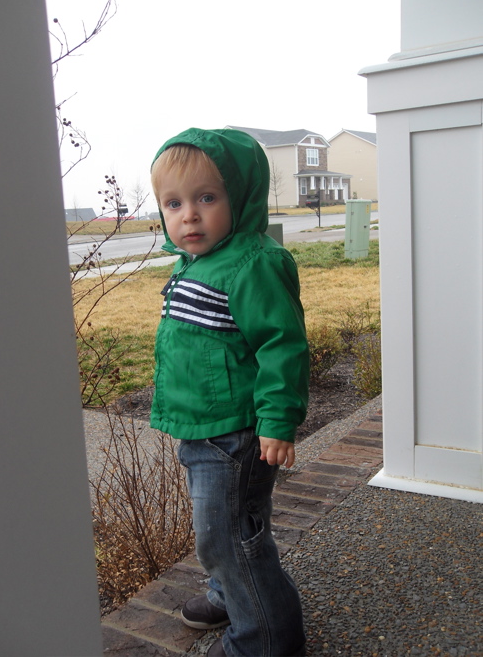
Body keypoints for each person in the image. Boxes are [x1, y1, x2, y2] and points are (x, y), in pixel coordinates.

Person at [150, 128, 309, 657]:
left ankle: (265, 640)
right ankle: (231, 596)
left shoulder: (251, 263)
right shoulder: (198, 260)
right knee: (223, 531)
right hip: (204, 427)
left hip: (236, 434)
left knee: (230, 538)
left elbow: (282, 346)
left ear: (240, 198)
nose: (189, 217)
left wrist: (278, 421)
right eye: (174, 204)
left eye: (206, 198)